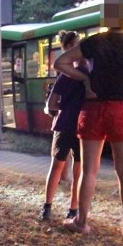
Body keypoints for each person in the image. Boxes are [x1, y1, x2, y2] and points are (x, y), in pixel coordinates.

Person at [54, 0, 123, 239]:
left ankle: (81, 221)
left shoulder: (93, 42)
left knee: (89, 170)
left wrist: (87, 78)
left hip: (93, 109)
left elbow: (61, 63)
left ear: (106, 16)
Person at [40, 31, 87, 221]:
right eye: (75, 45)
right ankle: (72, 209)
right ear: (68, 48)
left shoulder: (65, 76)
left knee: (58, 167)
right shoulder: (89, 75)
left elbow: (50, 105)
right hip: (81, 126)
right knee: (77, 171)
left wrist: (65, 107)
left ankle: (47, 208)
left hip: (65, 124)